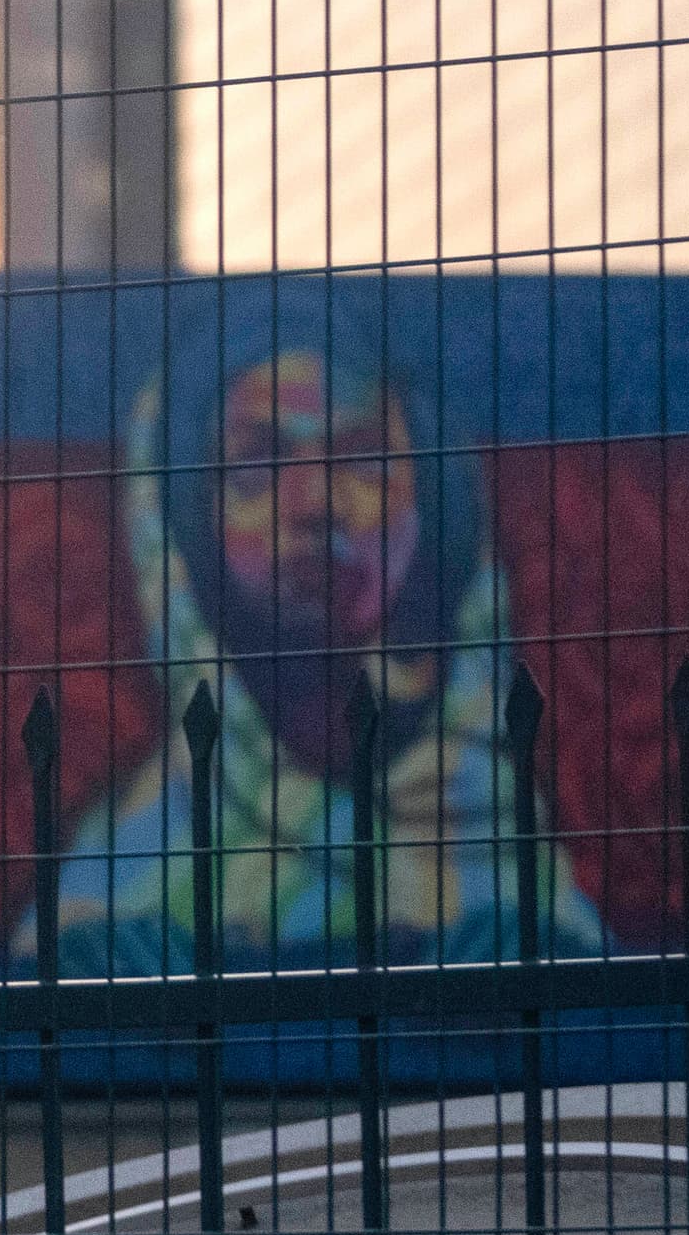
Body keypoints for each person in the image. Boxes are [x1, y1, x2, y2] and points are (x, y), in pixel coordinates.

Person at [44, 315, 605, 979]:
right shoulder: (129, 860)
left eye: (364, 457)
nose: (317, 503)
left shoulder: (494, 822)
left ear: (433, 501)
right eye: (257, 460)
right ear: (188, 522)